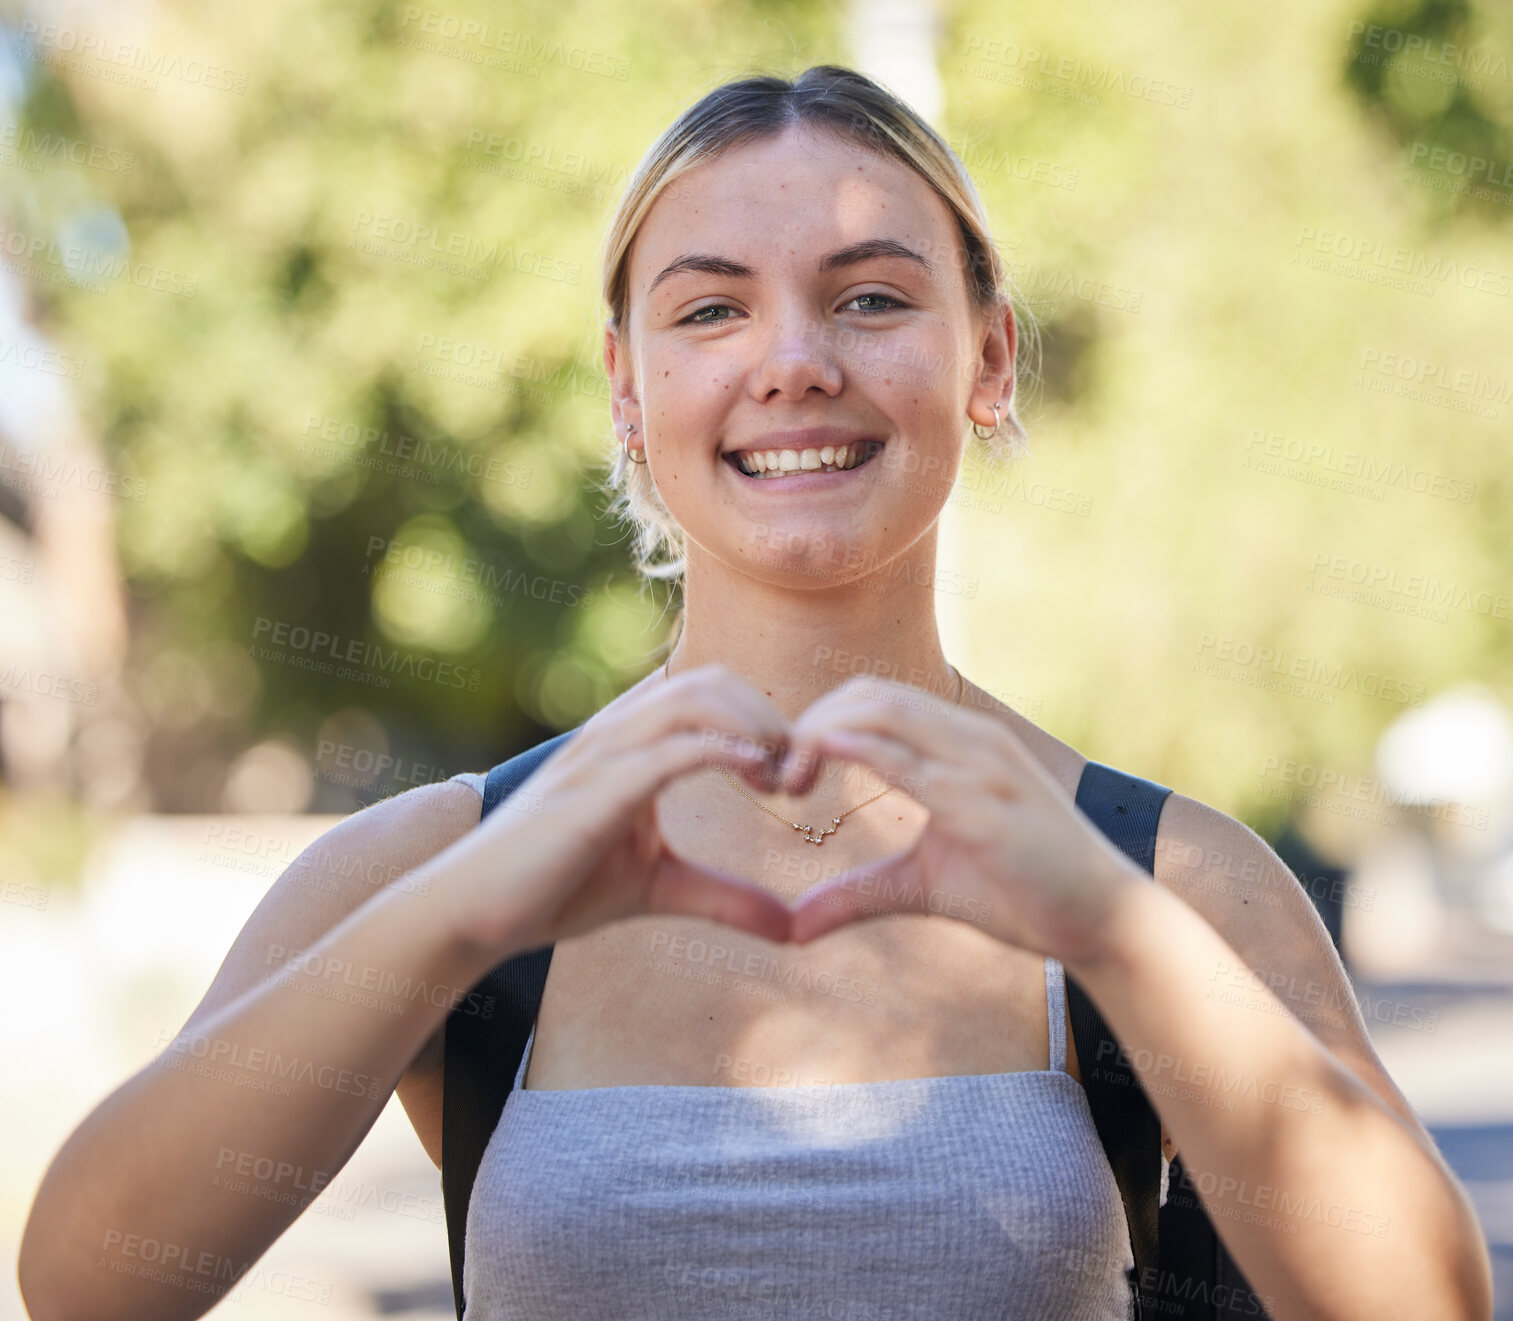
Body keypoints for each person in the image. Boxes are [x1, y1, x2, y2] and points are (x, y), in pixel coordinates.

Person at [18, 65, 1491, 1321]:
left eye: (867, 297)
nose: (793, 361)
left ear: (987, 357)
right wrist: (462, 912)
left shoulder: (1165, 872)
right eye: (710, 311)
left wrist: (1108, 929)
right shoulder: (441, 863)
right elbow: (89, 1281)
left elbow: (1426, 1304)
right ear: (624, 385)